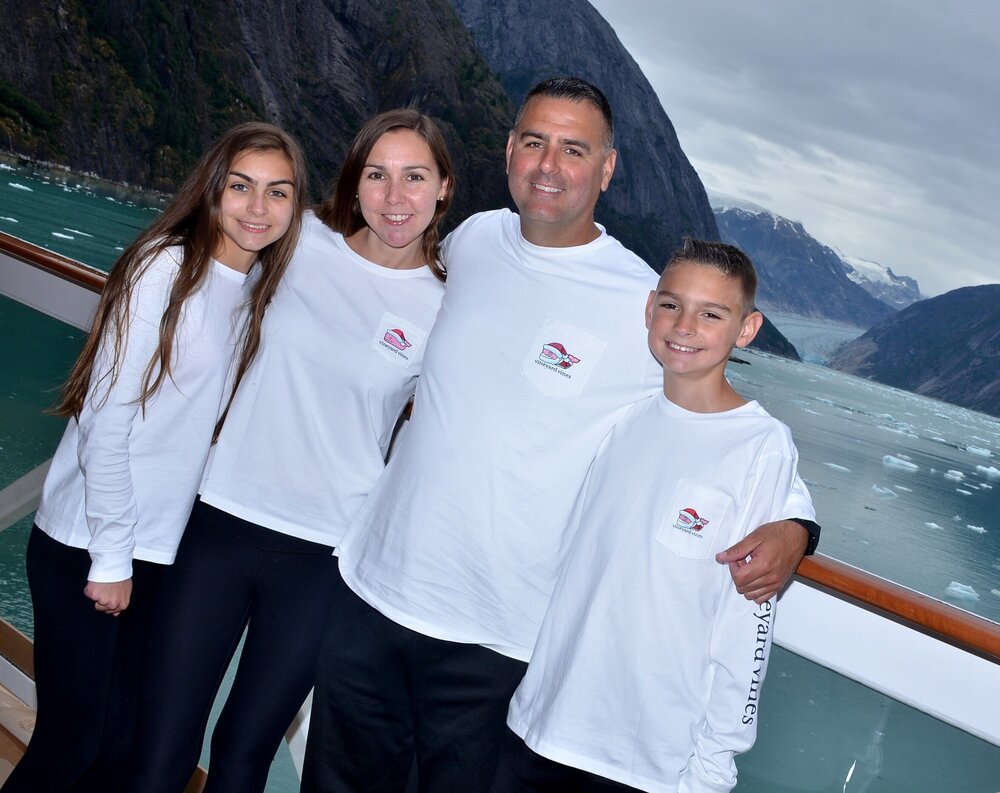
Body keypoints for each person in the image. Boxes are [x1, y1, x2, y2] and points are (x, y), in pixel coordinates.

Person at [304, 77, 819, 792]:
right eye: (535, 142)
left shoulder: (640, 304)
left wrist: (796, 525)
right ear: (511, 151)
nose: (549, 165)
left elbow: (711, 419)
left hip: (501, 639)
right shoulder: (475, 239)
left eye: (573, 149)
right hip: (372, 591)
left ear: (605, 170)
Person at [125, 108, 455, 793]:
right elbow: (195, 282)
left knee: (243, 751)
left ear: (444, 188)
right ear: (354, 183)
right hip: (219, 519)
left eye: (414, 177)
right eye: (378, 175)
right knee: (161, 744)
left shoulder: (449, 308)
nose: (395, 197)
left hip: (325, 553)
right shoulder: (298, 239)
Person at [1, 122, 306, 793]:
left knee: (119, 748)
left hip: (159, 552)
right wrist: (111, 556)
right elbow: (106, 420)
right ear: (212, 189)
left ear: (296, 206)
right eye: (242, 186)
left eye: (278, 192)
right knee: (69, 744)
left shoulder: (255, 293)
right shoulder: (165, 268)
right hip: (91, 543)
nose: (258, 207)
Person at [492, 238, 802, 793]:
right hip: (538, 725)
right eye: (671, 304)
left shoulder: (760, 446)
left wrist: (711, 768)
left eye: (712, 314)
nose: (684, 325)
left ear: (747, 329)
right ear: (649, 308)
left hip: (645, 759)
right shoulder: (622, 416)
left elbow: (746, 624)